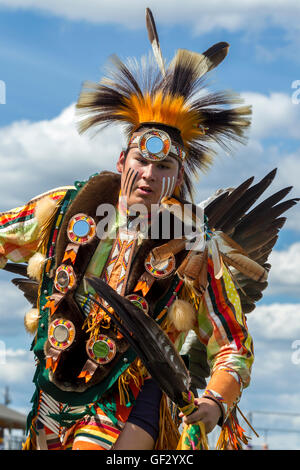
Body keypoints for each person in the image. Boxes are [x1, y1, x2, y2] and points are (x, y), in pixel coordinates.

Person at [0, 8, 295, 451]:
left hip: (134, 398)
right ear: (123, 162)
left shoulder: (194, 246)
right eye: (141, 160)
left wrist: (215, 400)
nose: (148, 175)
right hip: (56, 396)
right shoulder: (66, 208)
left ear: (176, 179)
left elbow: (232, 339)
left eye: (164, 167)